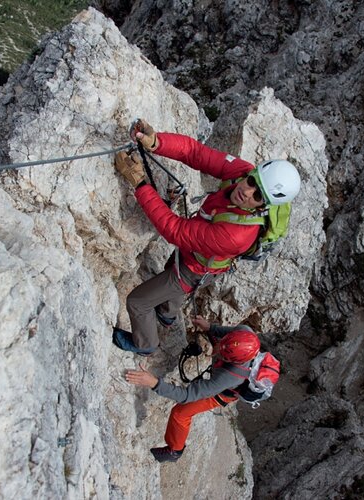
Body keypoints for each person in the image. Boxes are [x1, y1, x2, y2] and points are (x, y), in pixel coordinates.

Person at [112, 119, 301, 355]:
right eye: (252, 181)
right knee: (172, 269)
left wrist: (139, 183)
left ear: (263, 208)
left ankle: (146, 344)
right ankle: (167, 314)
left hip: (195, 269)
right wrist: (157, 142)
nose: (246, 191)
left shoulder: (238, 234)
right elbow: (196, 153)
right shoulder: (241, 172)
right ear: (252, 173)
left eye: (258, 196)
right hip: (197, 254)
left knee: (138, 301)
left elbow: (175, 230)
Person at [125, 316, 260, 463]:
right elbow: (228, 332)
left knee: (180, 413)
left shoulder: (229, 377)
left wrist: (153, 383)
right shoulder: (244, 332)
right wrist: (209, 327)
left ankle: (174, 450)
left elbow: (186, 396)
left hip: (223, 394)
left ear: (233, 361)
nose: (218, 350)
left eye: (224, 356)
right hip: (230, 366)